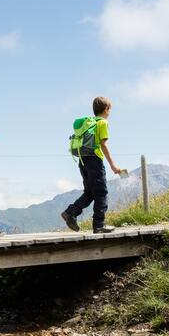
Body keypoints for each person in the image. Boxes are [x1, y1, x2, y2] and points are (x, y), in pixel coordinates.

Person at [61, 96, 122, 234]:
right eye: (110, 109)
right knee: (101, 193)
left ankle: (71, 212)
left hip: (83, 160)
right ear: (106, 109)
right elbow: (103, 144)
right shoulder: (102, 123)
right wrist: (113, 165)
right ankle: (99, 225)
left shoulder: (89, 122)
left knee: (89, 192)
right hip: (95, 160)